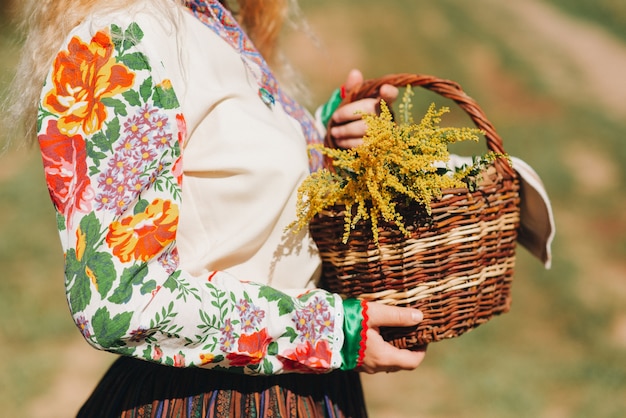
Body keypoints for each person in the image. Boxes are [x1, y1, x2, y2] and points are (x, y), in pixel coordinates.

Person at [6, 0, 427, 416]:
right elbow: (118, 302)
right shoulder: (120, 40)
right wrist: (326, 331)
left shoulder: (215, 22)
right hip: (201, 399)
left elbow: (237, 192)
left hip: (312, 395)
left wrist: (329, 138)